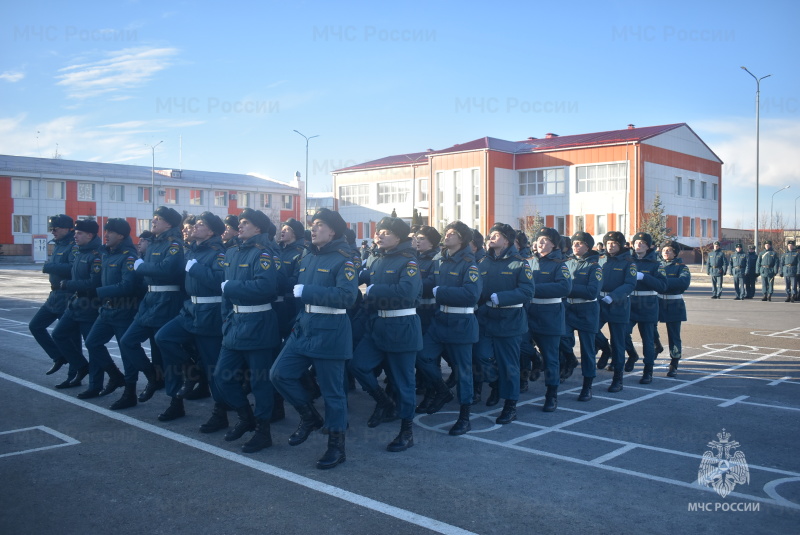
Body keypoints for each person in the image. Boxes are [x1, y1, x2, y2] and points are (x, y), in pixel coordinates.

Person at [270, 208, 359, 469]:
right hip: (305, 326)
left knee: (333, 394)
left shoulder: (345, 259)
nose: (313, 228)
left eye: (319, 225)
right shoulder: (307, 256)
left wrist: (308, 291)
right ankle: (309, 416)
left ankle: (336, 446)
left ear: (333, 231)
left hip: (331, 329)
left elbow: (347, 297)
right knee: (279, 374)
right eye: (312, 224)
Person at [349, 216, 422, 451]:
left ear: (399, 238)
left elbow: (407, 292)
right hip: (377, 326)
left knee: (404, 383)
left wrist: (373, 289)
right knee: (357, 365)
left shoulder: (408, 261)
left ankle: (406, 431)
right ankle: (384, 402)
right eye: (378, 231)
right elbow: (362, 277)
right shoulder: (375, 258)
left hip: (401, 327)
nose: (378, 235)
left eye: (386, 232)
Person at [212, 209, 281, 453]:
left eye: (245, 223)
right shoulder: (231, 252)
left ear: (258, 229)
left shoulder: (263, 253)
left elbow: (266, 287)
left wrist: (232, 286)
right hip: (234, 322)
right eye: (239, 223)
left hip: (259, 323)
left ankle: (263, 432)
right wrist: (224, 319)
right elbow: (225, 294)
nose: (239, 226)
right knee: (221, 376)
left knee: (260, 383)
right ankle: (245, 416)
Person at [154, 212, 227, 427]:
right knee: (164, 338)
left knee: (213, 368)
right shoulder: (191, 250)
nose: (194, 226)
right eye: (195, 223)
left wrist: (196, 268)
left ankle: (220, 413)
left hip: (210, 313)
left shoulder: (219, 253)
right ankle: (184, 383)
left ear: (211, 231)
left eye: (201, 224)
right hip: (190, 311)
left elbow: (219, 282)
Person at [112, 207, 185, 410]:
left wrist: (140, 266)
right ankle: (152, 375)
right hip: (150, 300)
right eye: (153, 218)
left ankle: (175, 402)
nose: (153, 221)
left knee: (166, 355)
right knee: (128, 341)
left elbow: (167, 270)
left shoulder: (174, 244)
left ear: (168, 224)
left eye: (158, 219)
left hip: (167, 299)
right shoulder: (153, 244)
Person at [415, 221, 481, 435]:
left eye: (452, 233)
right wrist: (411, 285)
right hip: (439, 320)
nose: (447, 236)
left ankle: (464, 416)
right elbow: (429, 284)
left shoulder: (469, 263)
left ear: (461, 239)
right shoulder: (440, 260)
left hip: (461, 323)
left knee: (463, 372)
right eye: (447, 232)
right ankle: (442, 391)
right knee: (422, 356)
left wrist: (439, 291)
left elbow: (471, 295)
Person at [474, 223, 533, 424]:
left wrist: (503, 297)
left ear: (506, 240)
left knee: (509, 366)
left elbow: (527, 292)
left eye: (496, 235)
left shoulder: (520, 263)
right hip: (486, 319)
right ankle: (496, 384)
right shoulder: (483, 263)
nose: (491, 237)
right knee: (481, 357)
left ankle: (510, 405)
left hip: (509, 320)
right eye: (490, 234)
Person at [81, 219, 138, 399]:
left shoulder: (129, 256)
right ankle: (115, 376)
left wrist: (97, 292)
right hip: (106, 310)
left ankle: (130, 392)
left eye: (110, 232)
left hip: (123, 310)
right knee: (92, 342)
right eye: (106, 231)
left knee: (126, 353)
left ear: (121, 235)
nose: (105, 235)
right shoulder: (107, 253)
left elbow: (127, 286)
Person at [51, 219, 102, 391]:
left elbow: (93, 283)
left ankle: (95, 385)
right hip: (74, 304)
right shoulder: (80, 251)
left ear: (90, 235)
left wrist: (69, 285)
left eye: (79, 233)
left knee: (92, 346)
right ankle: (81, 366)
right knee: (58, 334)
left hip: (89, 305)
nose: (75, 235)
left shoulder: (96, 255)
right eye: (75, 232)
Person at [30, 214, 82, 377]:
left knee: (72, 337)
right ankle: (58, 356)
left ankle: (75, 373)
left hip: (67, 295)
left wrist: (51, 267)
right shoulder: (58, 245)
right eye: (51, 228)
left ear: (67, 229)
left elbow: (74, 268)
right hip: (54, 295)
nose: (52, 231)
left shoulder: (73, 246)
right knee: (35, 326)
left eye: (55, 228)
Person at [527, 227, 571, 411]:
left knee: (551, 357)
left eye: (545, 240)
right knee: (522, 348)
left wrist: (532, 290)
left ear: (553, 244)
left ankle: (551, 394)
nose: (540, 243)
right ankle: (535, 362)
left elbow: (564, 288)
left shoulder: (559, 264)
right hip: (529, 313)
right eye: (538, 240)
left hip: (549, 315)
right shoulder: (528, 263)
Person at [596, 231, 637, 392]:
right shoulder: (601, 260)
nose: (610, 246)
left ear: (620, 245)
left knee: (618, 342)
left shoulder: (629, 262)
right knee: (591, 331)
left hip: (618, 305)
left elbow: (630, 284)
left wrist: (613, 296)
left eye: (614, 243)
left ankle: (618, 379)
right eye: (608, 243)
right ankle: (606, 350)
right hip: (600, 303)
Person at [563, 231, 602, 401]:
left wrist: (567, 288)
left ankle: (587, 386)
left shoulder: (595, 266)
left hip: (587, 310)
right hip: (569, 309)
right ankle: (570, 359)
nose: (575, 246)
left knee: (587, 350)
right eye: (574, 243)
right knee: (561, 339)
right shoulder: (567, 263)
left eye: (579, 243)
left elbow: (592, 291)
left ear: (588, 246)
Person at [625, 232, 667, 384]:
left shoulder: (656, 264)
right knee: (622, 333)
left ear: (649, 246)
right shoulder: (628, 261)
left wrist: (644, 277)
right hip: (630, 302)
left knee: (648, 340)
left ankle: (648, 370)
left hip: (648, 303)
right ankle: (632, 355)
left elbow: (662, 285)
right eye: (636, 242)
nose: (639, 245)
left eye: (642, 242)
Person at [658, 241, 691, 378]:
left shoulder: (681, 267)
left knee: (674, 336)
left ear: (675, 253)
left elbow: (683, 282)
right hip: (657, 302)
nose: (666, 252)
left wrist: (662, 283)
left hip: (674, 304)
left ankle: (674, 362)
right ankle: (656, 345)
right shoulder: (657, 265)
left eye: (669, 250)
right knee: (649, 328)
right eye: (664, 250)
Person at [276, 218, 307, 341]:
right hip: (275, 303)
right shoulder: (278, 251)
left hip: (289, 304)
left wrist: (273, 282)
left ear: (294, 233)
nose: (282, 232)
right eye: (282, 229)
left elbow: (297, 279)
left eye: (286, 229)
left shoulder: (300, 253)